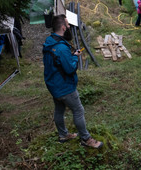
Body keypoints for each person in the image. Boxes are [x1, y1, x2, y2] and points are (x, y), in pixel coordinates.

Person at [43, 16, 103, 148]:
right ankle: (86, 139)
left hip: (53, 85)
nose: (69, 27)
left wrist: (69, 56)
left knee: (59, 109)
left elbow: (57, 62)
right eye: (68, 25)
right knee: (78, 110)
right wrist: (75, 58)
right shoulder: (61, 48)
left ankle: (63, 135)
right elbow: (70, 69)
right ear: (63, 27)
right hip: (65, 86)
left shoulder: (50, 41)